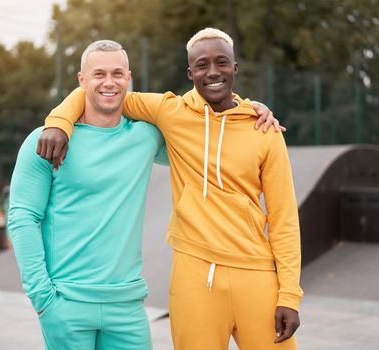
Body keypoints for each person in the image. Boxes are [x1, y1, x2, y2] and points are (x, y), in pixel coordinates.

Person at [39, 28, 301, 350]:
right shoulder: (170, 111)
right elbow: (105, 91)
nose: (213, 72)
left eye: (222, 62)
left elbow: (284, 218)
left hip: (256, 274)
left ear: (235, 68)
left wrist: (289, 294)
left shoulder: (265, 131)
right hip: (194, 273)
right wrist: (58, 122)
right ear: (190, 73)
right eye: (202, 65)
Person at [7, 40, 170, 350]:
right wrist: (43, 298)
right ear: (82, 80)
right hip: (66, 304)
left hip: (127, 304)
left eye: (118, 73)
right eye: (98, 74)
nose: (109, 82)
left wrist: (247, 108)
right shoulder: (44, 142)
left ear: (129, 78)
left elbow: (199, 129)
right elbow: (22, 218)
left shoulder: (146, 137)